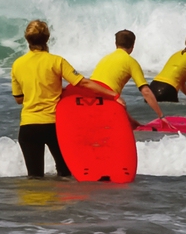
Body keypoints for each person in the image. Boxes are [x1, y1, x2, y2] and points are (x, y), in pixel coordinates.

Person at [10, 20, 120, 178]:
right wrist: (113, 96)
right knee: (65, 174)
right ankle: (59, 203)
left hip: (28, 127)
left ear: (27, 39)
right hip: (55, 127)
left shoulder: (17, 64)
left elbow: (19, 99)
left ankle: (34, 203)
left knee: (35, 178)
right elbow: (83, 83)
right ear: (47, 38)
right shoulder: (56, 61)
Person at [89, 30, 164, 123]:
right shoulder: (131, 62)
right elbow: (146, 92)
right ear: (133, 46)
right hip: (107, 100)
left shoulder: (104, 59)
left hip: (89, 99)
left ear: (115, 43)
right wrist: (161, 116)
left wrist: (133, 123)